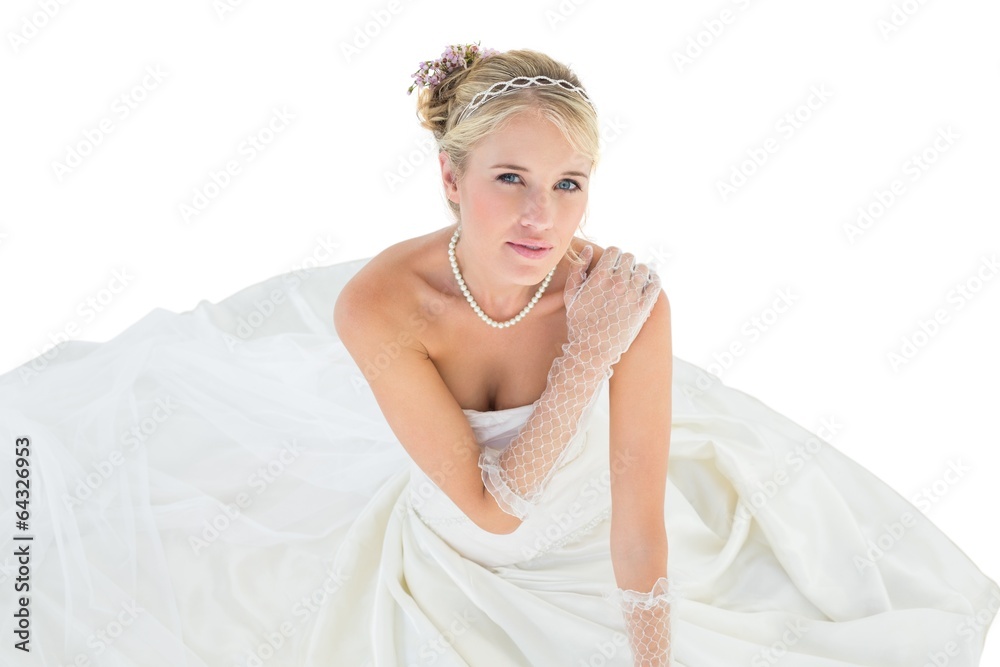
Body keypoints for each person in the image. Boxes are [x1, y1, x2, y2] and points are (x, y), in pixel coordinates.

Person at [1, 42, 997, 667]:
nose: (540, 215)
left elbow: (638, 520)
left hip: (595, 541)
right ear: (449, 177)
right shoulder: (381, 304)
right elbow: (486, 503)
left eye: (569, 185)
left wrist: (652, 659)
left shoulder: (624, 302)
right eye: (510, 177)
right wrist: (580, 362)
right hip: (455, 542)